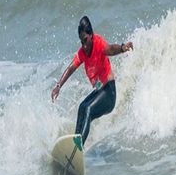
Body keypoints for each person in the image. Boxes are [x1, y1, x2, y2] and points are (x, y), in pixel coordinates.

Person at [51, 16, 133, 148]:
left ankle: (78, 148)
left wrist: (123, 48)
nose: (84, 45)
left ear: (91, 35)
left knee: (87, 109)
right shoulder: (82, 52)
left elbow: (111, 49)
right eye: (81, 42)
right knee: (82, 108)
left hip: (109, 93)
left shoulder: (98, 43)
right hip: (99, 91)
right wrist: (58, 86)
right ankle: (74, 147)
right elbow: (71, 68)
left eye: (85, 40)